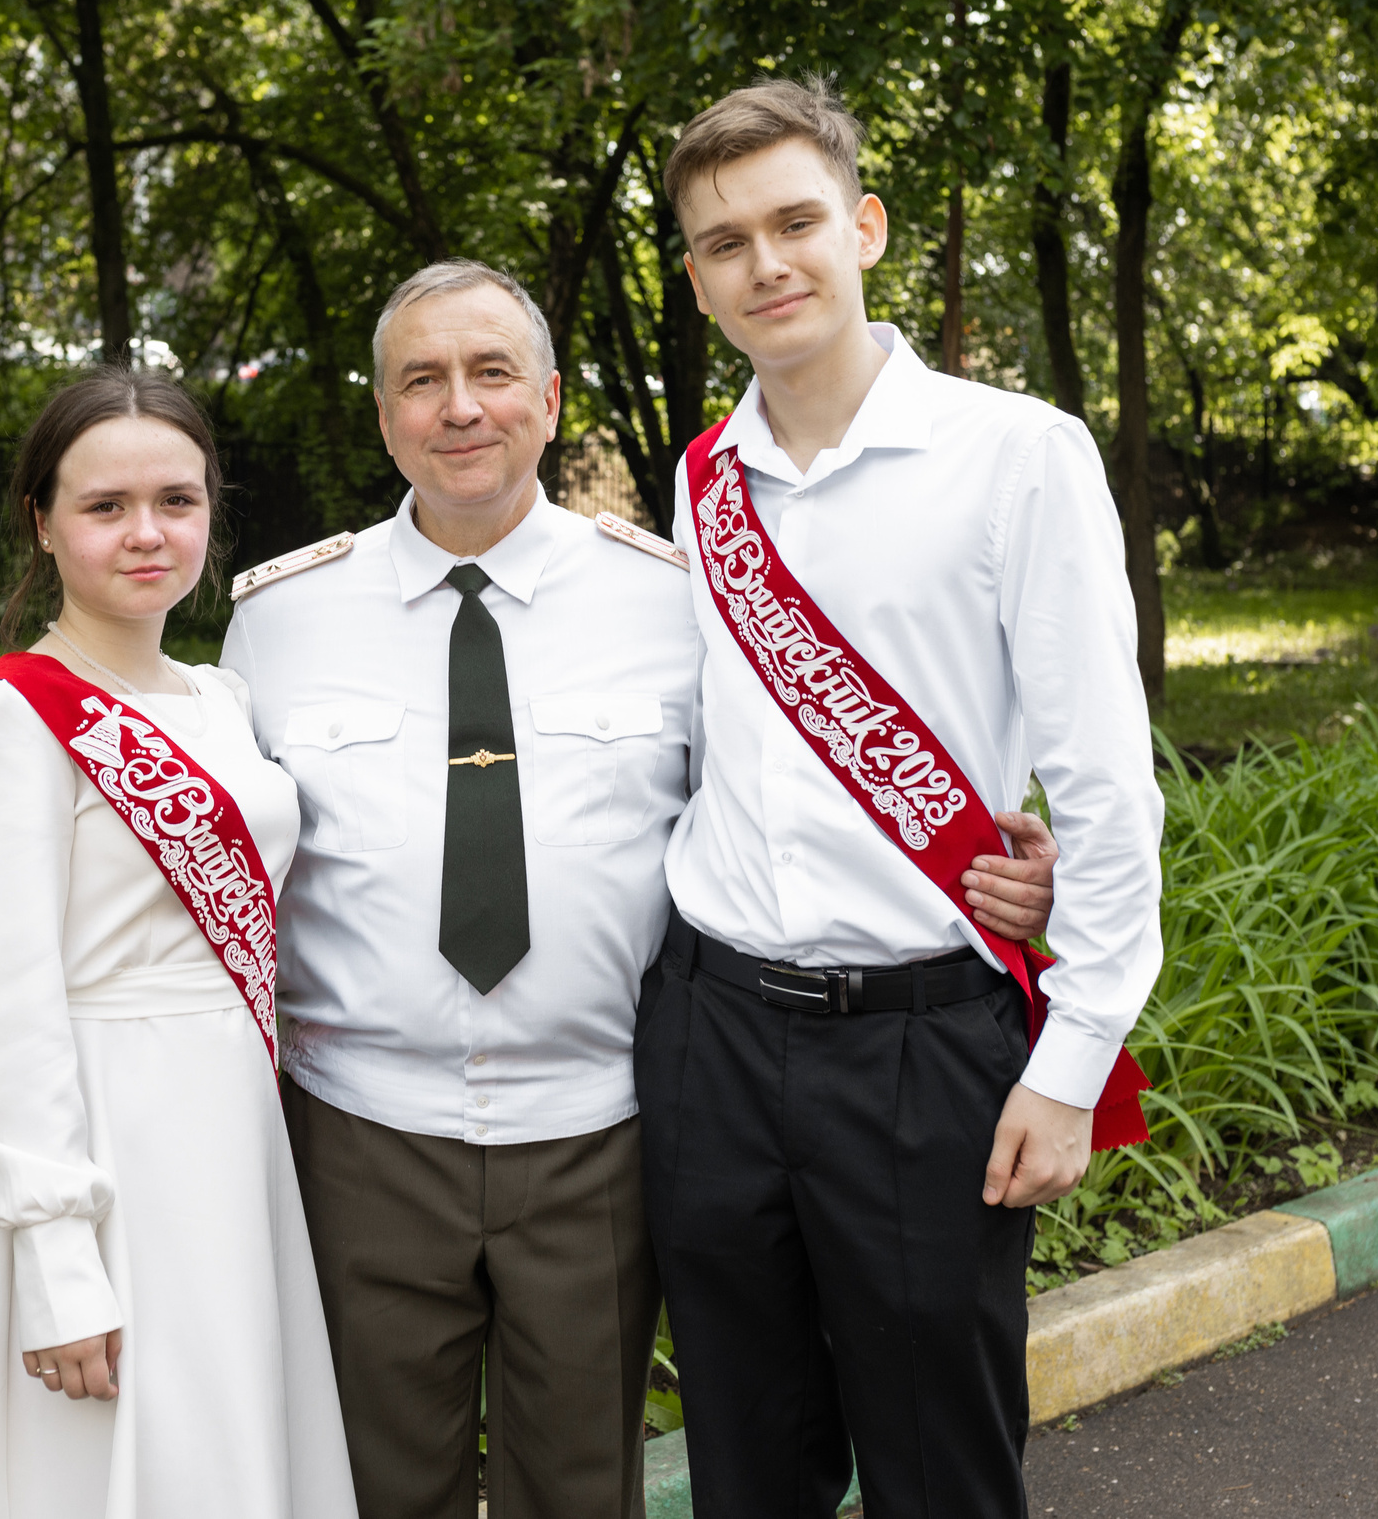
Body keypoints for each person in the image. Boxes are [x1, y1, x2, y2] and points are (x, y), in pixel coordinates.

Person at [220, 260, 1066, 1519]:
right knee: (378, 1488)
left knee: (584, 1491)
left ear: (551, 401)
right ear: (384, 413)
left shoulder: (674, 597)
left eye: (492, 373)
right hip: (363, 1131)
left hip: (600, 1132)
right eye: (422, 380)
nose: (460, 407)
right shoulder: (280, 620)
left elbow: (784, 801)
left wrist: (988, 869)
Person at [637, 77, 1163, 1518]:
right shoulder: (703, 486)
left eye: (798, 221)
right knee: (748, 1466)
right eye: (726, 241)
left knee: (943, 1468)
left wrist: (1072, 1057)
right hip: (712, 1033)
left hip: (924, 1045)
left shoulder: (1017, 453)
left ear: (863, 225)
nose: (769, 262)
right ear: (695, 278)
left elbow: (1108, 778)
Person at [0, 369, 357, 1519]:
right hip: (98, 1142)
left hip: (233, 1138)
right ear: (42, 523)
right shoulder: (1, 717)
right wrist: (54, 1254)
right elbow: (2, 1005)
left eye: (178, 500)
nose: (147, 533)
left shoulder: (219, 702)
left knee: (225, 1449)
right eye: (105, 507)